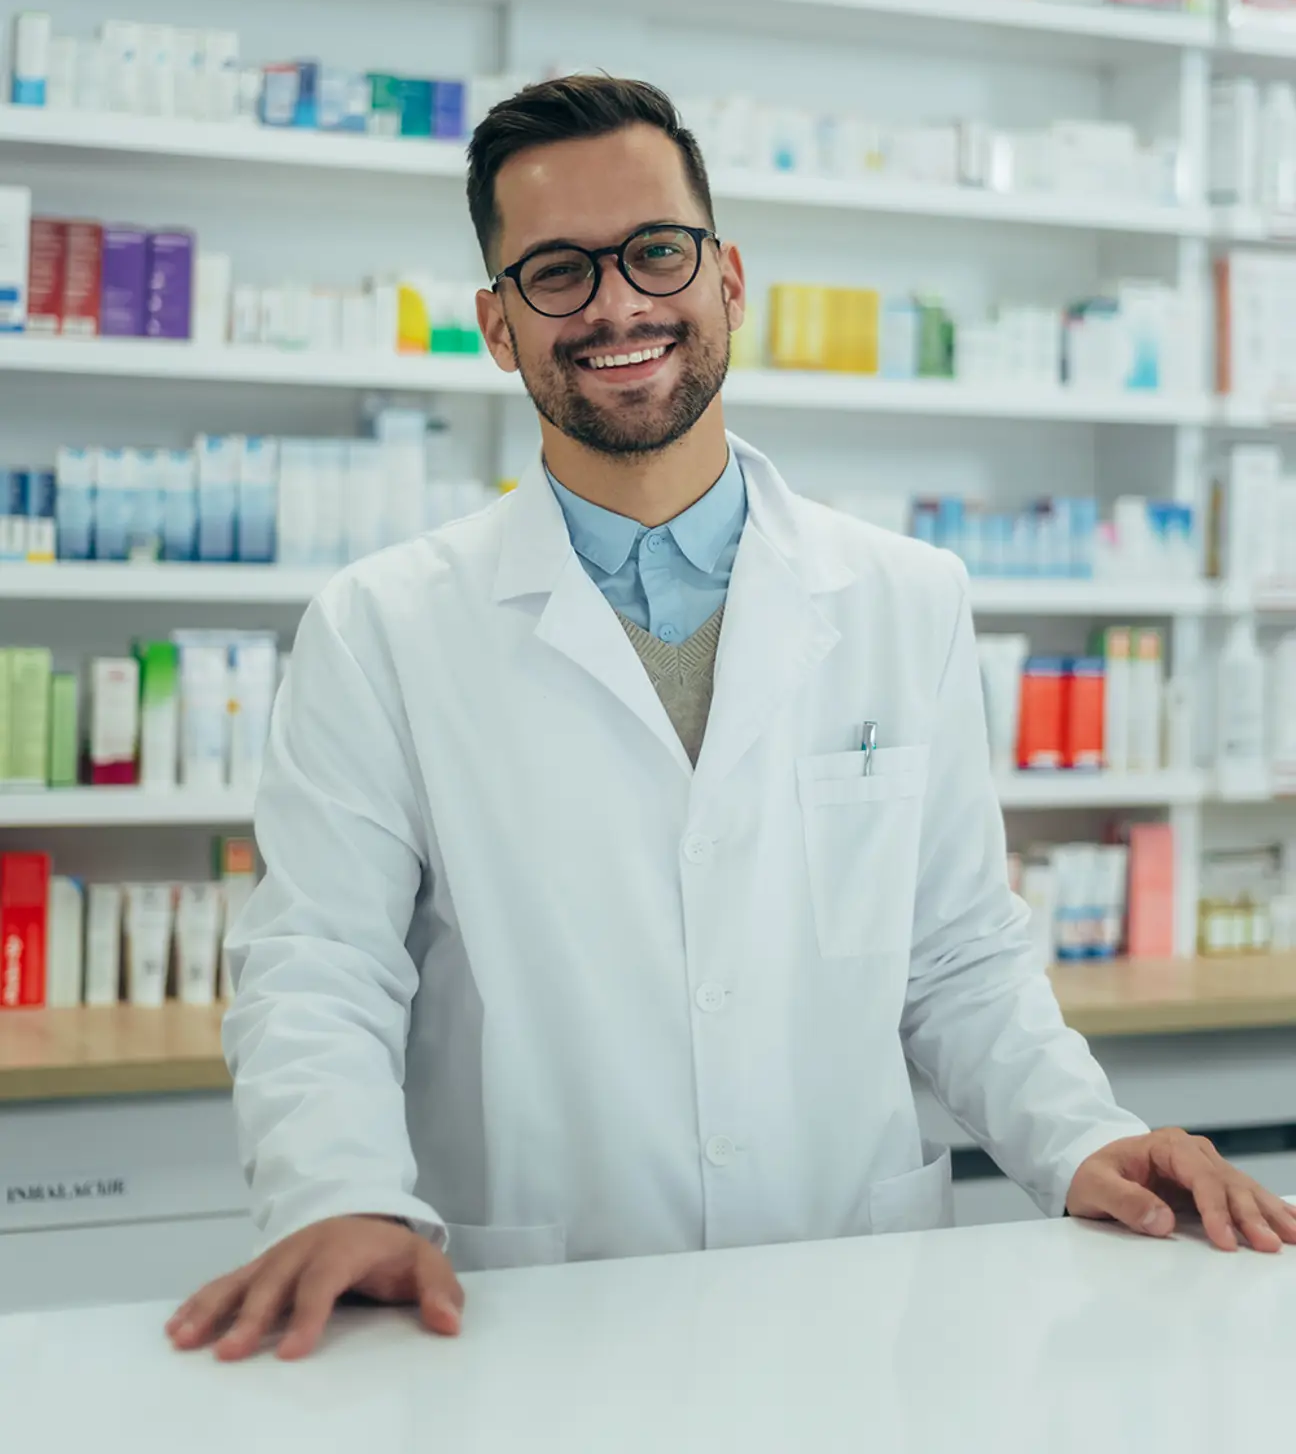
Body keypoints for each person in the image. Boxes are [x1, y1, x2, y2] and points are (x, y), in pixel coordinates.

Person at [169, 75, 1296, 1364]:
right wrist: (341, 1197)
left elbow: (958, 954)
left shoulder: (904, 599)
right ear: (496, 325)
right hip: (540, 1325)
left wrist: (1085, 1137)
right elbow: (318, 966)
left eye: (657, 252)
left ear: (728, 279)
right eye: (556, 273)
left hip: (854, 1302)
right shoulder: (384, 628)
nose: (617, 305)